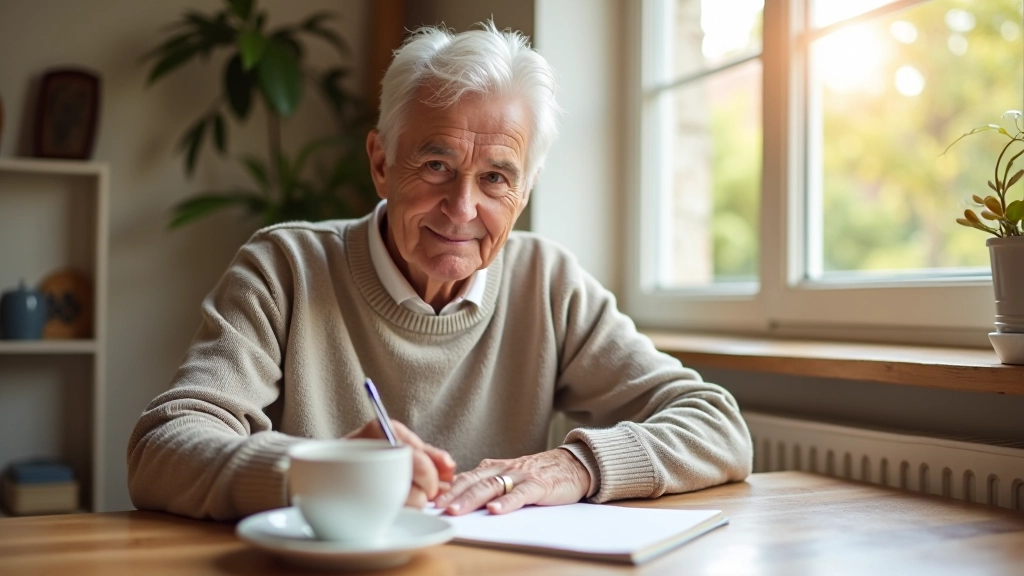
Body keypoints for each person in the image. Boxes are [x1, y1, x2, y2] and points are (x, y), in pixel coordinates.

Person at [127, 22, 753, 521]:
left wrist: (576, 467)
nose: (462, 208)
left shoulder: (547, 280)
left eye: (496, 178)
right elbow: (161, 450)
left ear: (525, 190)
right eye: (434, 166)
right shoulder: (284, 268)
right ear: (380, 162)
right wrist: (320, 468)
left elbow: (717, 425)